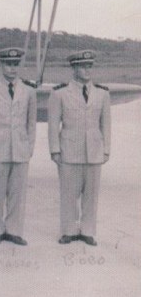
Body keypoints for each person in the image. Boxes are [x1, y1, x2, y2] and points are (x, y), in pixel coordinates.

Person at [48, 50, 111, 246]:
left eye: (90, 66)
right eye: (83, 66)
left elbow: (106, 124)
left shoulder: (102, 93)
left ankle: (88, 231)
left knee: (91, 194)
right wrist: (55, 150)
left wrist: (106, 149)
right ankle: (68, 230)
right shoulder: (59, 93)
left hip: (93, 151)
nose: (87, 70)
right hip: (69, 151)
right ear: (74, 68)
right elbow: (53, 125)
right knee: (69, 194)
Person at [0, 47, 37, 246]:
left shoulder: (29, 90)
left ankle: (14, 230)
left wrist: (30, 147)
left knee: (17, 192)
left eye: (15, 64)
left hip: (20, 147)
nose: (12, 68)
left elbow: (31, 122)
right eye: (8, 64)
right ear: (1, 65)